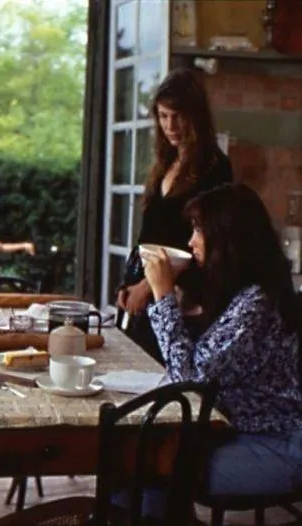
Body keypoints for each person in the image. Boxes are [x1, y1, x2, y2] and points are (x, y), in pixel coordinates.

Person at [141, 183, 302, 516]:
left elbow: (189, 381)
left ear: (227, 238)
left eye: (198, 230)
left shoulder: (257, 304)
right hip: (241, 431)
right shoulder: (245, 291)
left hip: (280, 444)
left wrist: (163, 296)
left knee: (150, 462)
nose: (190, 241)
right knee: (139, 455)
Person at [116, 67, 233, 364]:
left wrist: (148, 286)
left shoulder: (215, 168)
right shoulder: (165, 162)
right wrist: (129, 284)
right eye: (163, 116)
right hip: (145, 285)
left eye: (178, 116)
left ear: (195, 117)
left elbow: (206, 240)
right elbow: (150, 234)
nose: (170, 126)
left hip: (183, 293)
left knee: (166, 371)